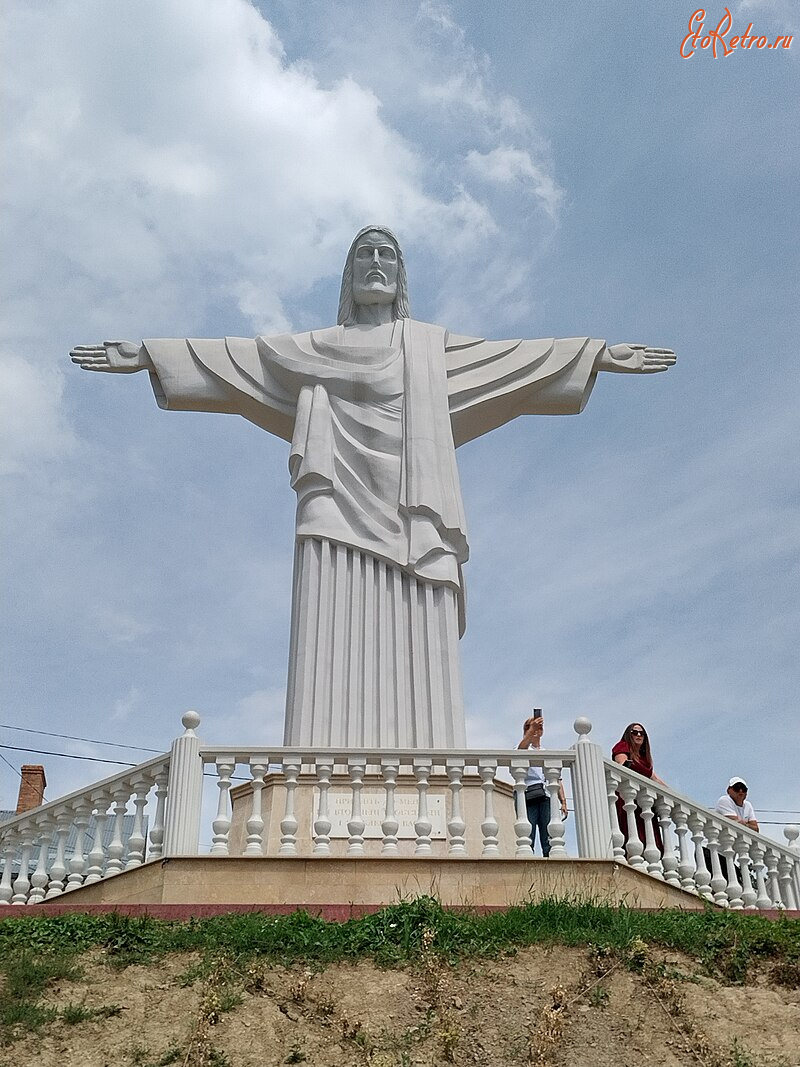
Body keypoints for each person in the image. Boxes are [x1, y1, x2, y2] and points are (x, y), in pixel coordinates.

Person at [71, 226, 675, 750]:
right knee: (329, 623)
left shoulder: (429, 351)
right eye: (365, 255)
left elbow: (515, 361)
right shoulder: (309, 352)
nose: (377, 263)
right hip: (333, 504)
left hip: (419, 515)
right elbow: (238, 360)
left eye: (388, 255)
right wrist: (152, 354)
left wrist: (595, 356)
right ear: (348, 274)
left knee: (422, 638)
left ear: (402, 274)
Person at [517, 714, 567, 857]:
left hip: (546, 795)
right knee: (528, 834)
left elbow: (556, 778)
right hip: (528, 794)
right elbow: (520, 752)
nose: (537, 729)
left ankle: (549, 865)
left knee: (549, 836)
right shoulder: (522, 746)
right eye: (531, 726)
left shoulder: (546, 752)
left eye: (539, 727)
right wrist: (530, 731)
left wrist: (563, 800)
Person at [612, 723, 665, 850]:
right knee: (631, 833)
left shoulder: (644, 759)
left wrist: (673, 794)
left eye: (642, 733)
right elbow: (622, 764)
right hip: (628, 798)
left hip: (643, 801)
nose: (639, 735)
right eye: (634, 732)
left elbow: (655, 778)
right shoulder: (622, 746)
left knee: (648, 837)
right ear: (628, 735)